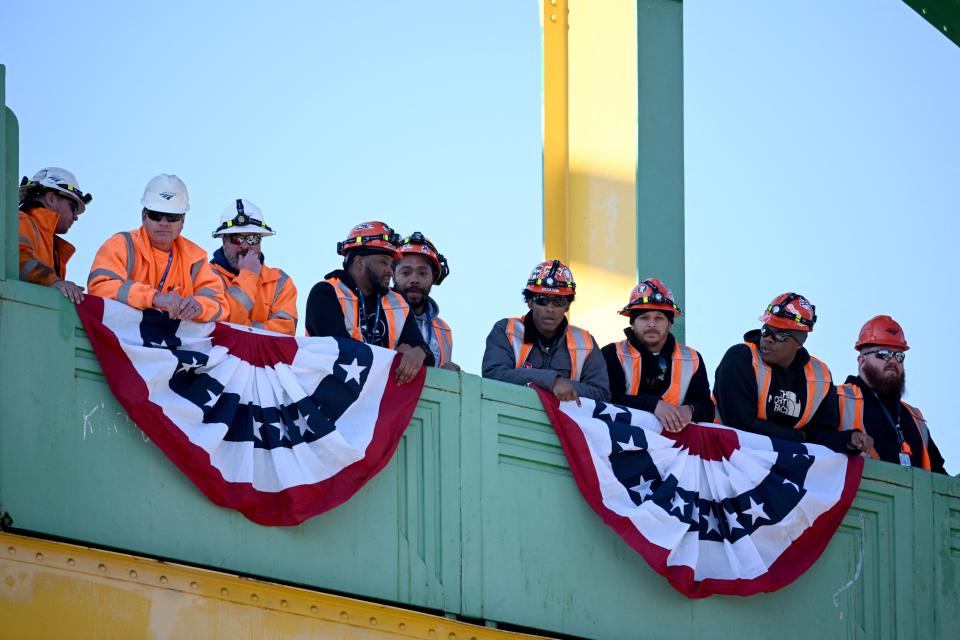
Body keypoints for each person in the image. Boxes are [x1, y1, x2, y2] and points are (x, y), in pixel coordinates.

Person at [713, 292, 870, 454]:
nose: (768, 339)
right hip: (721, 460)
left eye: (780, 335)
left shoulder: (819, 376)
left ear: (798, 342)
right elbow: (740, 423)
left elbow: (820, 436)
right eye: (766, 330)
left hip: (777, 470)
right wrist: (800, 437)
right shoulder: (741, 358)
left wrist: (849, 440)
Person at [304, 221, 433, 384]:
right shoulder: (326, 293)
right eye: (383, 262)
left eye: (391, 264)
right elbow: (339, 351)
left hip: (375, 402)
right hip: (326, 397)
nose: (390, 271)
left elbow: (420, 350)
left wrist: (421, 352)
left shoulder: (397, 303)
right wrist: (395, 357)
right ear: (359, 261)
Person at [88, 174, 227, 322]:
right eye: (156, 215)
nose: (164, 223)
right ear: (144, 216)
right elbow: (99, 286)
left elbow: (220, 305)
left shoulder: (195, 259)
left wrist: (200, 306)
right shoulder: (122, 244)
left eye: (171, 217)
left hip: (175, 344)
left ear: (182, 221)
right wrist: (153, 297)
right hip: (121, 342)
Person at [482, 259, 609, 404]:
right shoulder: (506, 330)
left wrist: (565, 386)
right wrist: (551, 381)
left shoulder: (585, 342)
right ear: (530, 303)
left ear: (567, 306)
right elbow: (493, 375)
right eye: (542, 300)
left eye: (558, 302)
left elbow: (602, 394)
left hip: (565, 425)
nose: (550, 308)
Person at [837, 315, 947, 473]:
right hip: (860, 497)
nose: (893, 361)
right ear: (862, 361)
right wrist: (848, 439)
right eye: (884, 354)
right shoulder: (837, 399)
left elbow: (937, 475)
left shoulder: (915, 418)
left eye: (899, 356)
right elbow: (819, 443)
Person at [601, 278, 714, 432]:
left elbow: (707, 408)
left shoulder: (692, 359)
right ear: (632, 323)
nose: (652, 324)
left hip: (672, 451)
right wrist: (653, 405)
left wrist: (690, 411)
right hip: (621, 443)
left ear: (670, 323)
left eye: (659, 318)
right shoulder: (612, 354)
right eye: (644, 317)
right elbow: (605, 399)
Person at [208, 199, 298, 335]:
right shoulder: (206, 276)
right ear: (224, 240)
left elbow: (284, 334)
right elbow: (219, 328)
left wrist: (244, 328)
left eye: (252, 239)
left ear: (260, 241)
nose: (244, 246)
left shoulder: (280, 281)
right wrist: (248, 275)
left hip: (266, 357)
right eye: (236, 238)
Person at [18, 167, 93, 303]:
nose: (76, 217)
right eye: (73, 207)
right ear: (51, 198)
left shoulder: (52, 247)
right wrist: (53, 281)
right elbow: (17, 257)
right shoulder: (21, 220)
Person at [393, 232, 458, 370]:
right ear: (392, 274)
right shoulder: (377, 312)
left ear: (433, 278)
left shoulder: (443, 330)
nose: (414, 279)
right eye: (406, 272)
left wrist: (448, 376)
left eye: (422, 273)